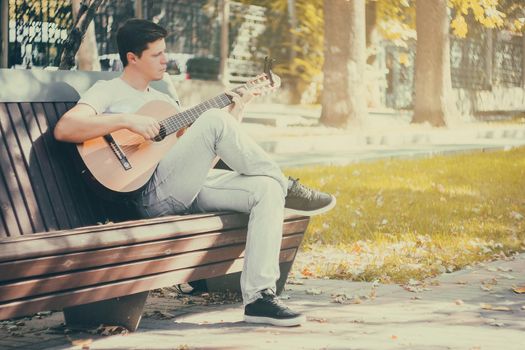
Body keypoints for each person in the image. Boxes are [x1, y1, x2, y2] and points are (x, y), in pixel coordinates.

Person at [54, 19, 336, 327]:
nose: (166, 60)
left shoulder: (164, 101)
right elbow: (66, 128)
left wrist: (237, 111)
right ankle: (288, 185)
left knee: (265, 188)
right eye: (157, 54)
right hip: (147, 196)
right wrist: (126, 121)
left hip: (183, 188)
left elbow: (203, 159)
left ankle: (260, 299)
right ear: (132, 58)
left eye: (165, 52)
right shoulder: (108, 91)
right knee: (215, 120)